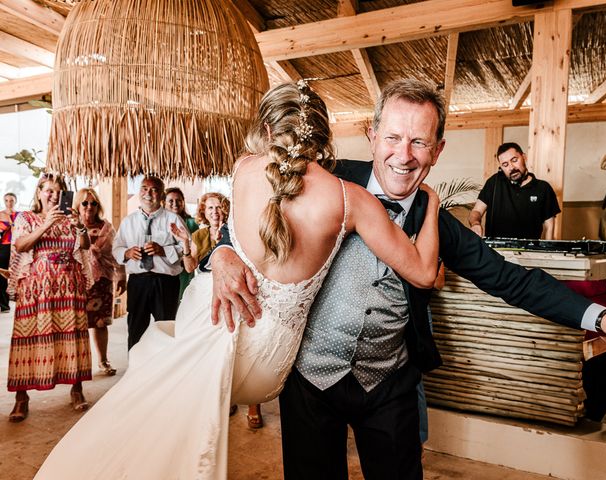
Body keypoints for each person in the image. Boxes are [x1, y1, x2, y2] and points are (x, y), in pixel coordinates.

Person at [210, 79, 606, 480]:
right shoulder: (326, 178)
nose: (404, 155)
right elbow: (259, 208)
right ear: (372, 135)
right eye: (394, 137)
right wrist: (223, 251)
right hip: (309, 380)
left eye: (420, 141)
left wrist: (604, 319)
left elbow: (512, 279)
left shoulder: (440, 224)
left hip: (390, 383)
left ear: (438, 150)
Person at [34, 81, 440, 480]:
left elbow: (240, 231)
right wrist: (433, 204)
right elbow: (423, 273)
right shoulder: (351, 199)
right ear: (324, 133)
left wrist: (224, 251)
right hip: (267, 361)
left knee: (158, 424)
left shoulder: (244, 168)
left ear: (266, 130)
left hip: (211, 321)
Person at [172, 192, 264, 428]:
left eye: (219, 207)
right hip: (206, 295)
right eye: (210, 208)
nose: (215, 211)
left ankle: (254, 403)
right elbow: (191, 266)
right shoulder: (198, 235)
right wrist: (184, 243)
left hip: (235, 291)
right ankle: (228, 394)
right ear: (204, 211)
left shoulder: (237, 232)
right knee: (217, 348)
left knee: (245, 345)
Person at [7, 174, 93, 422]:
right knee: (28, 337)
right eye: (49, 191)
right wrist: (46, 224)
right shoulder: (26, 218)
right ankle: (21, 398)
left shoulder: (70, 219)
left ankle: (76, 390)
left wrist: (79, 227)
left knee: (72, 337)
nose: (54, 196)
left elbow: (84, 246)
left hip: (69, 286)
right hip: (37, 288)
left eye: (59, 192)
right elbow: (21, 246)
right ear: (39, 193)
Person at [112, 176, 187, 349]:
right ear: (139, 192)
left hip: (165, 282)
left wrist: (164, 250)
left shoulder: (173, 220)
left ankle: (165, 370)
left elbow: (187, 247)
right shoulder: (128, 221)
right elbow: (116, 248)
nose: (148, 193)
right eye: (144, 188)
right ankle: (135, 370)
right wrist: (127, 252)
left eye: (154, 190)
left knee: (166, 328)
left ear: (161, 195)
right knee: (136, 329)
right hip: (138, 282)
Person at [74, 188, 126, 376]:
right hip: (76, 280)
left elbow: (116, 253)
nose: (89, 206)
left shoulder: (106, 227)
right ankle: (78, 364)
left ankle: (103, 361)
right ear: (77, 205)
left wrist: (121, 275)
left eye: (93, 203)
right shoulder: (70, 225)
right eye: (85, 203)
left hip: (102, 279)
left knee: (100, 323)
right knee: (75, 324)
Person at [468, 142, 560, 239]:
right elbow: (477, 211)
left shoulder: (543, 188)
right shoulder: (494, 182)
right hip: (494, 251)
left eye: (514, 160)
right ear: (501, 167)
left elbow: (549, 227)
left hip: (529, 251)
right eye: (505, 164)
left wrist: (546, 251)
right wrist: (475, 223)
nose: (511, 167)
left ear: (524, 157)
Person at [164, 187, 199, 299]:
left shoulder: (192, 223)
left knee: (182, 299)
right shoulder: (160, 223)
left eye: (179, 200)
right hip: (165, 269)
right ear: (164, 203)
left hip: (184, 269)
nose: (175, 204)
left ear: (183, 202)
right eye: (171, 201)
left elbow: (195, 249)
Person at [0, 192, 18, 312]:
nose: (8, 203)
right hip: (3, 247)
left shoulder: (20, 215)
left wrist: (11, 223)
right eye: (6, 200)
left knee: (14, 275)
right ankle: (4, 305)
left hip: (16, 247)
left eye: (11, 200)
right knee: (1, 276)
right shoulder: (0, 215)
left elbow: (20, 230)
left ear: (15, 201)